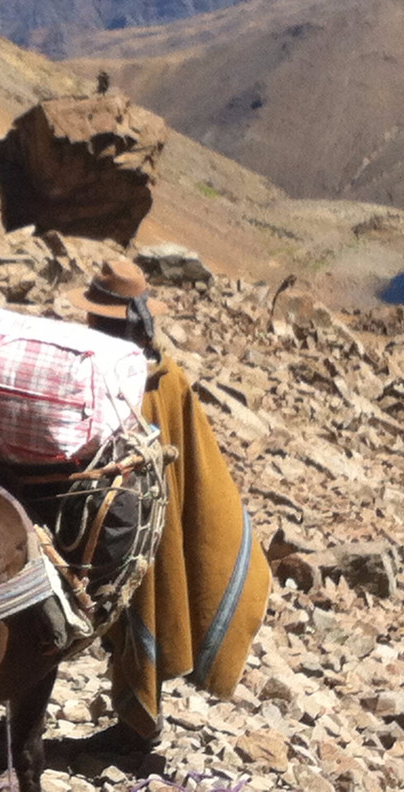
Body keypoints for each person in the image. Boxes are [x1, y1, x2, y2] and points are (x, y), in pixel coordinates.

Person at [66, 259, 271, 752]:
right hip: (140, 515)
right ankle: (138, 719)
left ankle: (137, 728)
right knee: (140, 609)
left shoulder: (130, 375)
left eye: (95, 315)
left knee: (142, 604)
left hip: (128, 519)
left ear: (106, 319)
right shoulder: (166, 374)